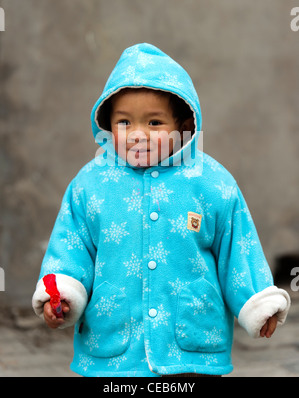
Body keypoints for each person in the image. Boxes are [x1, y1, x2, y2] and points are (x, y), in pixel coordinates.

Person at [32, 43, 290, 377]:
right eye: (125, 123)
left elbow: (238, 249)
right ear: (108, 125)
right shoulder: (90, 185)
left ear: (183, 125)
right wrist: (62, 295)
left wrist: (257, 302)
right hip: (114, 350)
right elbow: (70, 247)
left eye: (154, 123)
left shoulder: (210, 182)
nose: (138, 135)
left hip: (192, 344)